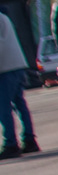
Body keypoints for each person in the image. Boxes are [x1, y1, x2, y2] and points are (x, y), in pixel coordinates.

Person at [0, 11, 36, 159]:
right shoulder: (4, 16)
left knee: (4, 107)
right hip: (16, 64)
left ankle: (11, 144)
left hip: (5, 68)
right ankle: (29, 139)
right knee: (19, 104)